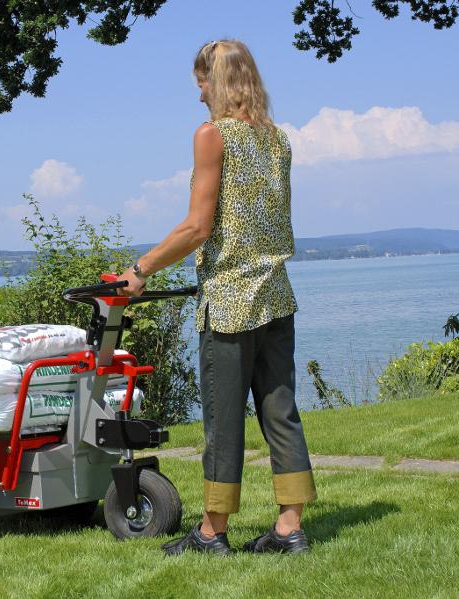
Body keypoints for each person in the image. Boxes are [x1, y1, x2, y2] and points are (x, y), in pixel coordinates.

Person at [116, 39, 317, 556]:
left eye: (202, 82)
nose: (199, 94)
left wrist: (139, 270)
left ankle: (211, 531)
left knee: (222, 423)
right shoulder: (278, 140)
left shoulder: (212, 136)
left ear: (219, 81)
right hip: (277, 297)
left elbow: (197, 227)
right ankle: (290, 528)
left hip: (230, 304)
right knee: (281, 414)